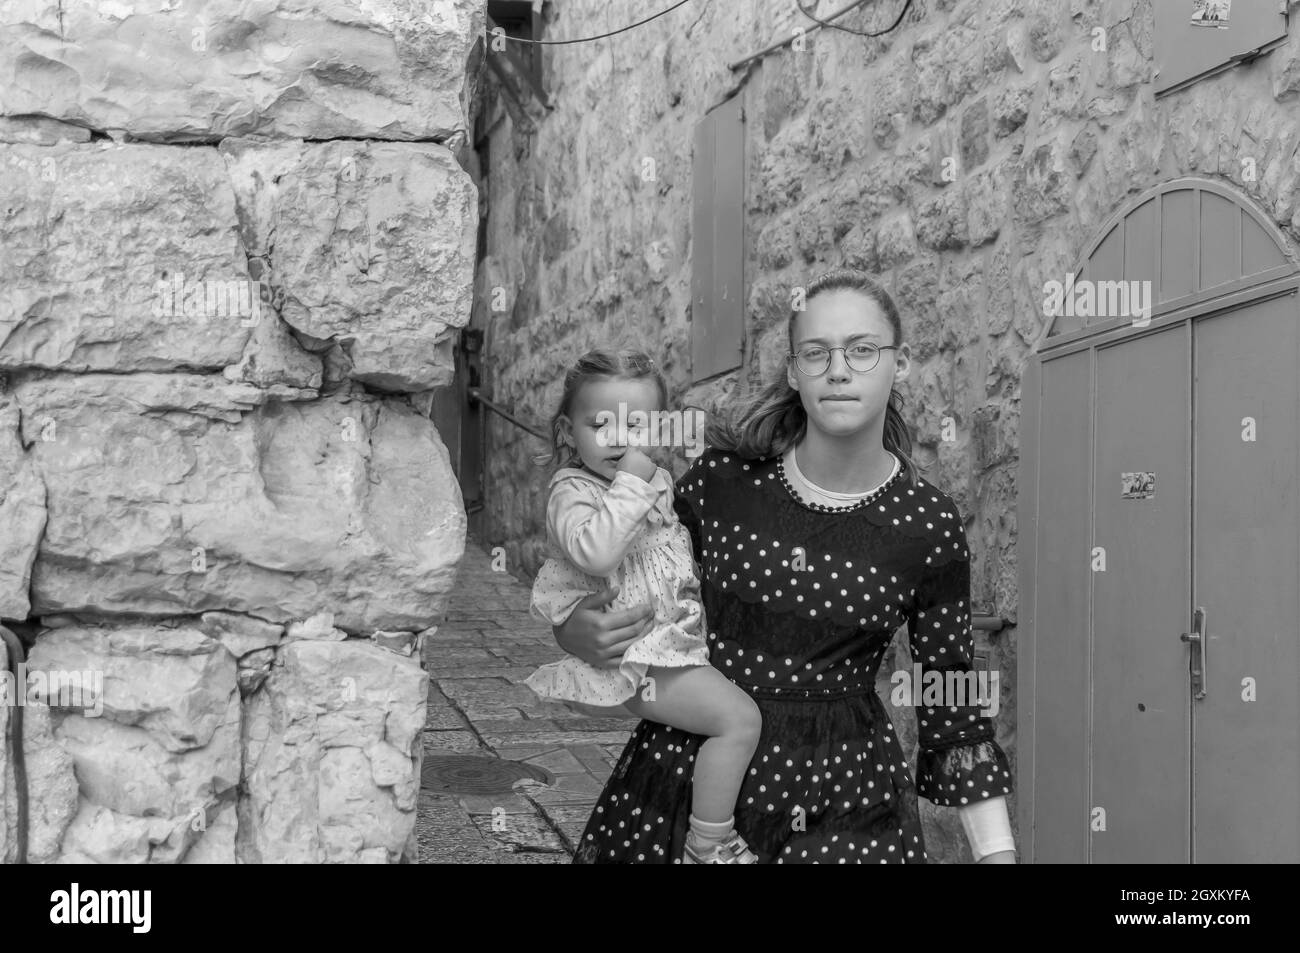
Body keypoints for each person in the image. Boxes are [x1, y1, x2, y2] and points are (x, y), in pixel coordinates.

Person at [552, 270, 1018, 863]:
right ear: (794, 372)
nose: (839, 369)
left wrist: (996, 855)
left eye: (863, 350)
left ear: (899, 365)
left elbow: (950, 697)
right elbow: (619, 570)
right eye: (816, 353)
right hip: (687, 784)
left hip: (846, 803)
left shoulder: (927, 525)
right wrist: (571, 632)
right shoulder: (723, 483)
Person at [524, 348, 763, 863]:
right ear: (568, 432)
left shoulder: (651, 484)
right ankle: (709, 843)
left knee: (729, 720)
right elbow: (596, 550)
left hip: (669, 645)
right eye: (601, 424)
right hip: (646, 657)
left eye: (639, 426)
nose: (620, 439)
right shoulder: (573, 491)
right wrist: (634, 480)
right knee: (739, 720)